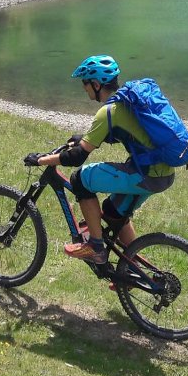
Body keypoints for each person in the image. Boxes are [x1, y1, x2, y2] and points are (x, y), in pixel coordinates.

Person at [24, 55, 176, 264]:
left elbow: (77, 157)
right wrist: (83, 138)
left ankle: (95, 247)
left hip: (146, 175)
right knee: (113, 213)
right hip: (165, 173)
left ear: (96, 84)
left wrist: (42, 160)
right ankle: (132, 268)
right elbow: (115, 133)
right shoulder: (127, 102)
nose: (84, 89)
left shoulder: (108, 112)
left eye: (85, 84)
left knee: (79, 179)